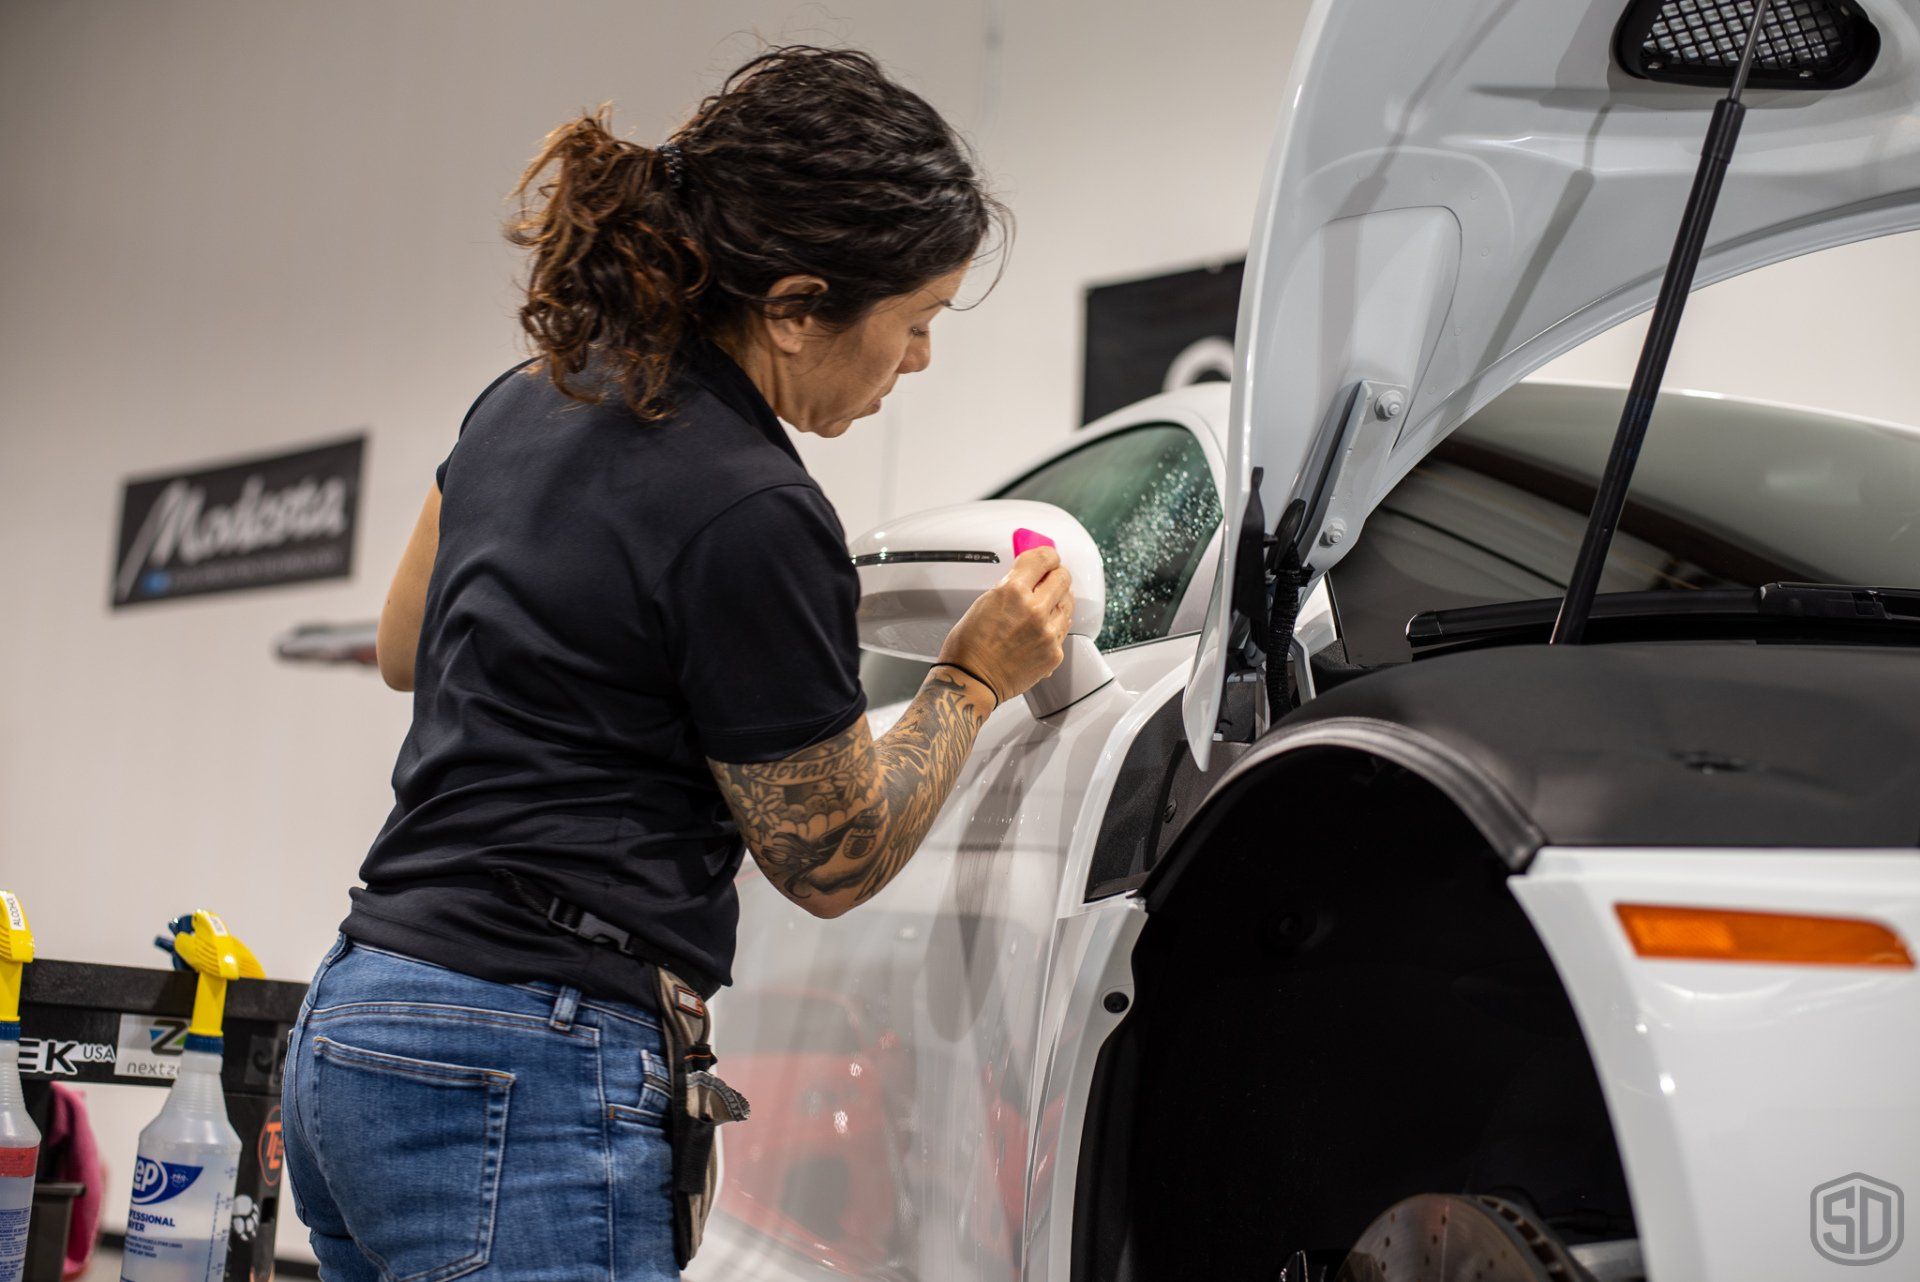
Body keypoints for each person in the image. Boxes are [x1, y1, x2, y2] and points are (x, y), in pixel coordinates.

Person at [277, 45, 1072, 1282]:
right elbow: (829, 855)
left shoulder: (525, 396)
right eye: (913, 323)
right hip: (521, 1055)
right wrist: (971, 677)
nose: (918, 361)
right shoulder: (751, 503)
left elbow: (399, 648)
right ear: (799, 304)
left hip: (358, 1017)